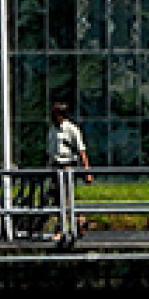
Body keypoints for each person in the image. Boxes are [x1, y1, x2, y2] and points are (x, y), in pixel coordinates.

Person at [46, 102, 91, 242]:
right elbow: (50, 151)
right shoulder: (52, 130)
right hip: (55, 166)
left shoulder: (71, 129)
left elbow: (81, 150)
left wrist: (87, 171)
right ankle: (79, 221)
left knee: (63, 199)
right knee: (57, 199)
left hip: (67, 166)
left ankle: (61, 229)